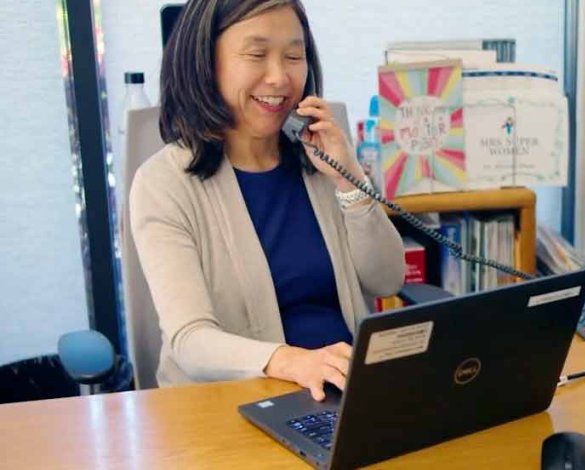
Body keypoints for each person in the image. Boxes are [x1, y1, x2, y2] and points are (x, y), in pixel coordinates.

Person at [130, 0, 404, 401]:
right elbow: (190, 339)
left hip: (345, 396)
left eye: (294, 56)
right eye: (257, 55)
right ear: (205, 63)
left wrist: (350, 182)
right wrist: (289, 360)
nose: (279, 77)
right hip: (230, 408)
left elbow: (387, 278)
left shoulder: (319, 156)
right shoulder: (164, 183)